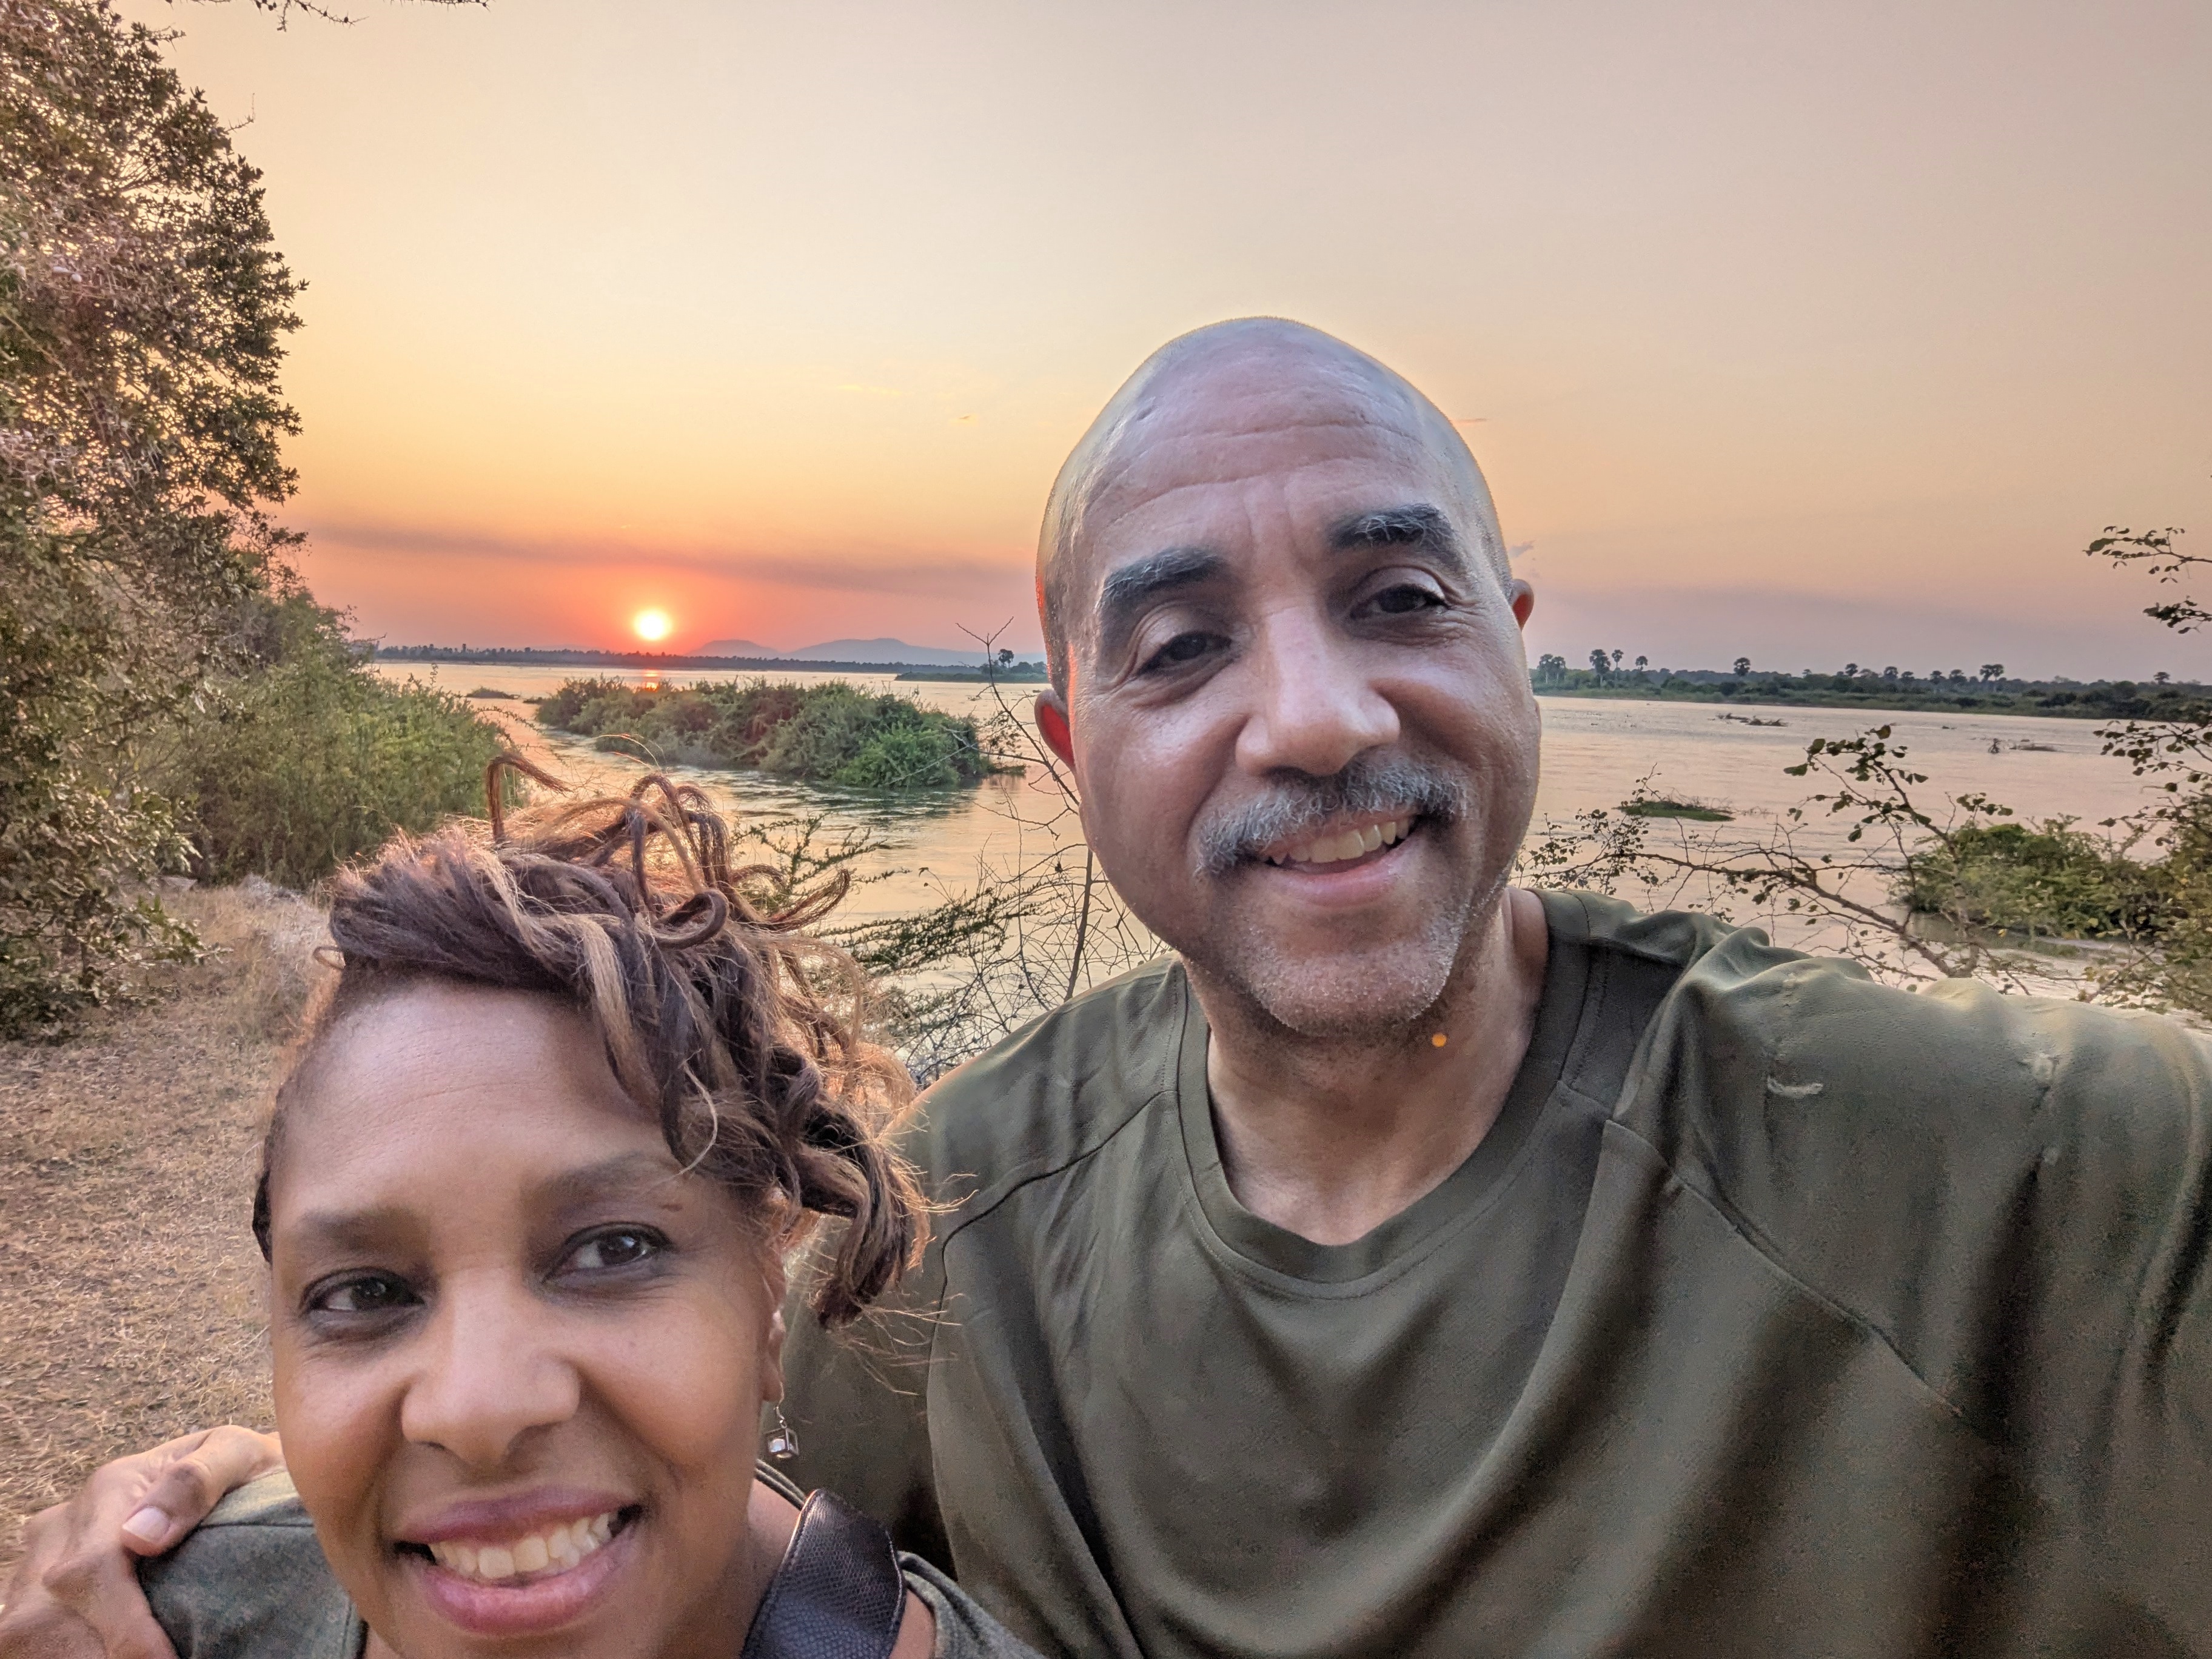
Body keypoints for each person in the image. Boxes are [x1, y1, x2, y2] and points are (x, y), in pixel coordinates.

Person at [8, 319, 2211, 1657]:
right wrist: (280, 1512)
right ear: (1069, 751)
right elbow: (663, 1509)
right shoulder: (954, 1233)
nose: (1315, 713)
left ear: (1516, 647)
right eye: (1180, 647)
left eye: (1398, 595)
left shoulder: (2017, 1161)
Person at [8, 775, 1037, 1659]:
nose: (478, 1409)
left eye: (613, 1249)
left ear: (768, 1285)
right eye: (364, 1293)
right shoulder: (159, 1619)